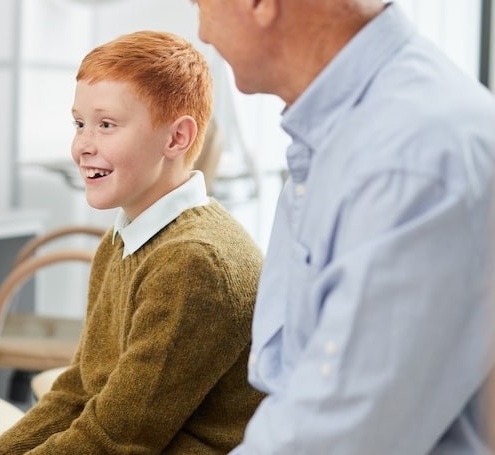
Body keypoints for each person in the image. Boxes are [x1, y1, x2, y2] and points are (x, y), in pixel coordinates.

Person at [190, 0, 495, 453]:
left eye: (200, 3)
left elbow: (334, 437)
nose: (202, 31)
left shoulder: (411, 156)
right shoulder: (341, 137)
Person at [0, 30, 264, 454]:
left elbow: (115, 441)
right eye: (79, 124)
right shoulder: (124, 237)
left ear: (176, 138)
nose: (82, 147)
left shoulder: (193, 263)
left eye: (106, 125)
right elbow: (79, 390)